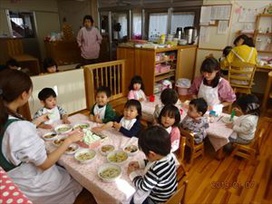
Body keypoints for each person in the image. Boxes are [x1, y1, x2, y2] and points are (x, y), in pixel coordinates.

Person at [0, 69, 83, 204]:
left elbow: (16, 133)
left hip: (13, 175)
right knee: (75, 179)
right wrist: (69, 140)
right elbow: (44, 164)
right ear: (23, 94)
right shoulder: (19, 128)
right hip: (29, 183)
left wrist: (36, 122)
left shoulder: (8, 116)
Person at [127, 126, 177, 204]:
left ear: (152, 154)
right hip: (170, 192)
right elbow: (152, 161)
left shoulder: (156, 170)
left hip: (157, 200)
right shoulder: (170, 156)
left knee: (131, 200)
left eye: (145, 154)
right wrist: (140, 164)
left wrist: (132, 174)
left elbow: (143, 186)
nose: (145, 156)